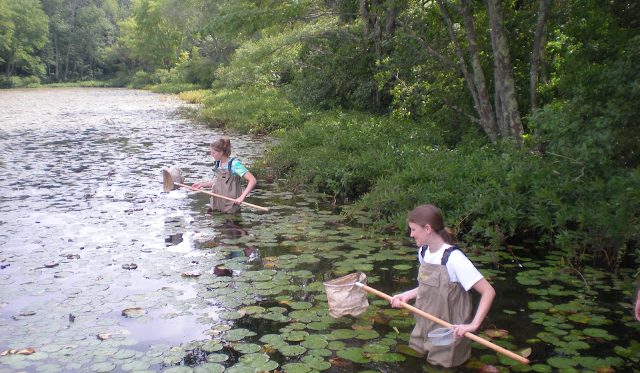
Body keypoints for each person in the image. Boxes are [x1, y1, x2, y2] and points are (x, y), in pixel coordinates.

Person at [390, 204, 496, 368]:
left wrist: (474, 325)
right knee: (414, 359)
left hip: (448, 332)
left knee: (440, 367)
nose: (411, 234)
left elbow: (488, 291)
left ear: (427, 228)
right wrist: (407, 295)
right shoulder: (423, 252)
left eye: (413, 229)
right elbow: (428, 288)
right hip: (423, 324)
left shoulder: (454, 259)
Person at [191, 137, 257, 214]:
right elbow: (218, 182)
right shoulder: (218, 163)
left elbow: (252, 180)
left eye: (213, 153)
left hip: (230, 206)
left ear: (221, 152)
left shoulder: (234, 164)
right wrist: (201, 185)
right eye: (211, 152)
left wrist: (242, 197)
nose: (211, 155)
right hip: (217, 204)